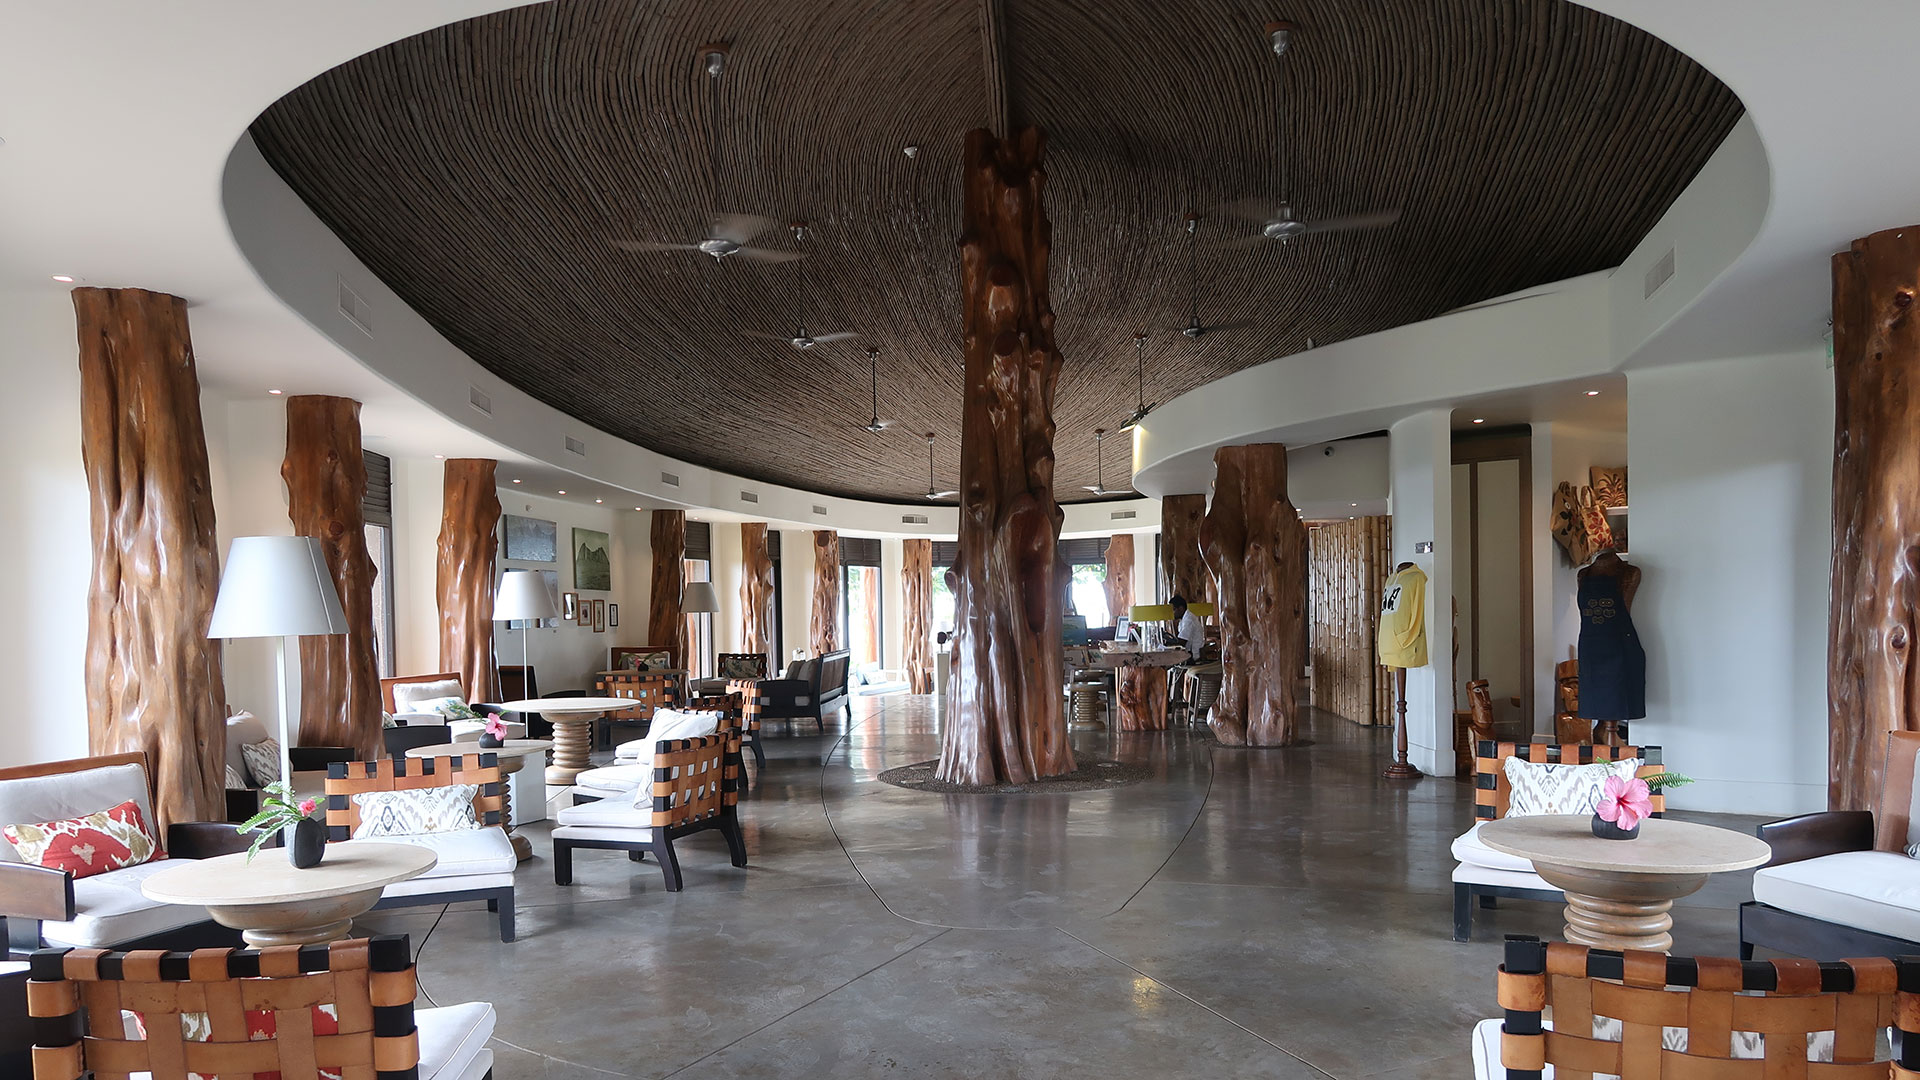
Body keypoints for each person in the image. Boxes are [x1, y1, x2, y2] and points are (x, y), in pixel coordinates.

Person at [1167, 594, 1206, 661]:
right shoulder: (1183, 620)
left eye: (1174, 610)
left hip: (1193, 657)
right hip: (1188, 654)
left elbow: (1182, 642)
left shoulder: (1189, 620)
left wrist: (1167, 643)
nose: (1172, 613)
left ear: (1181, 609)